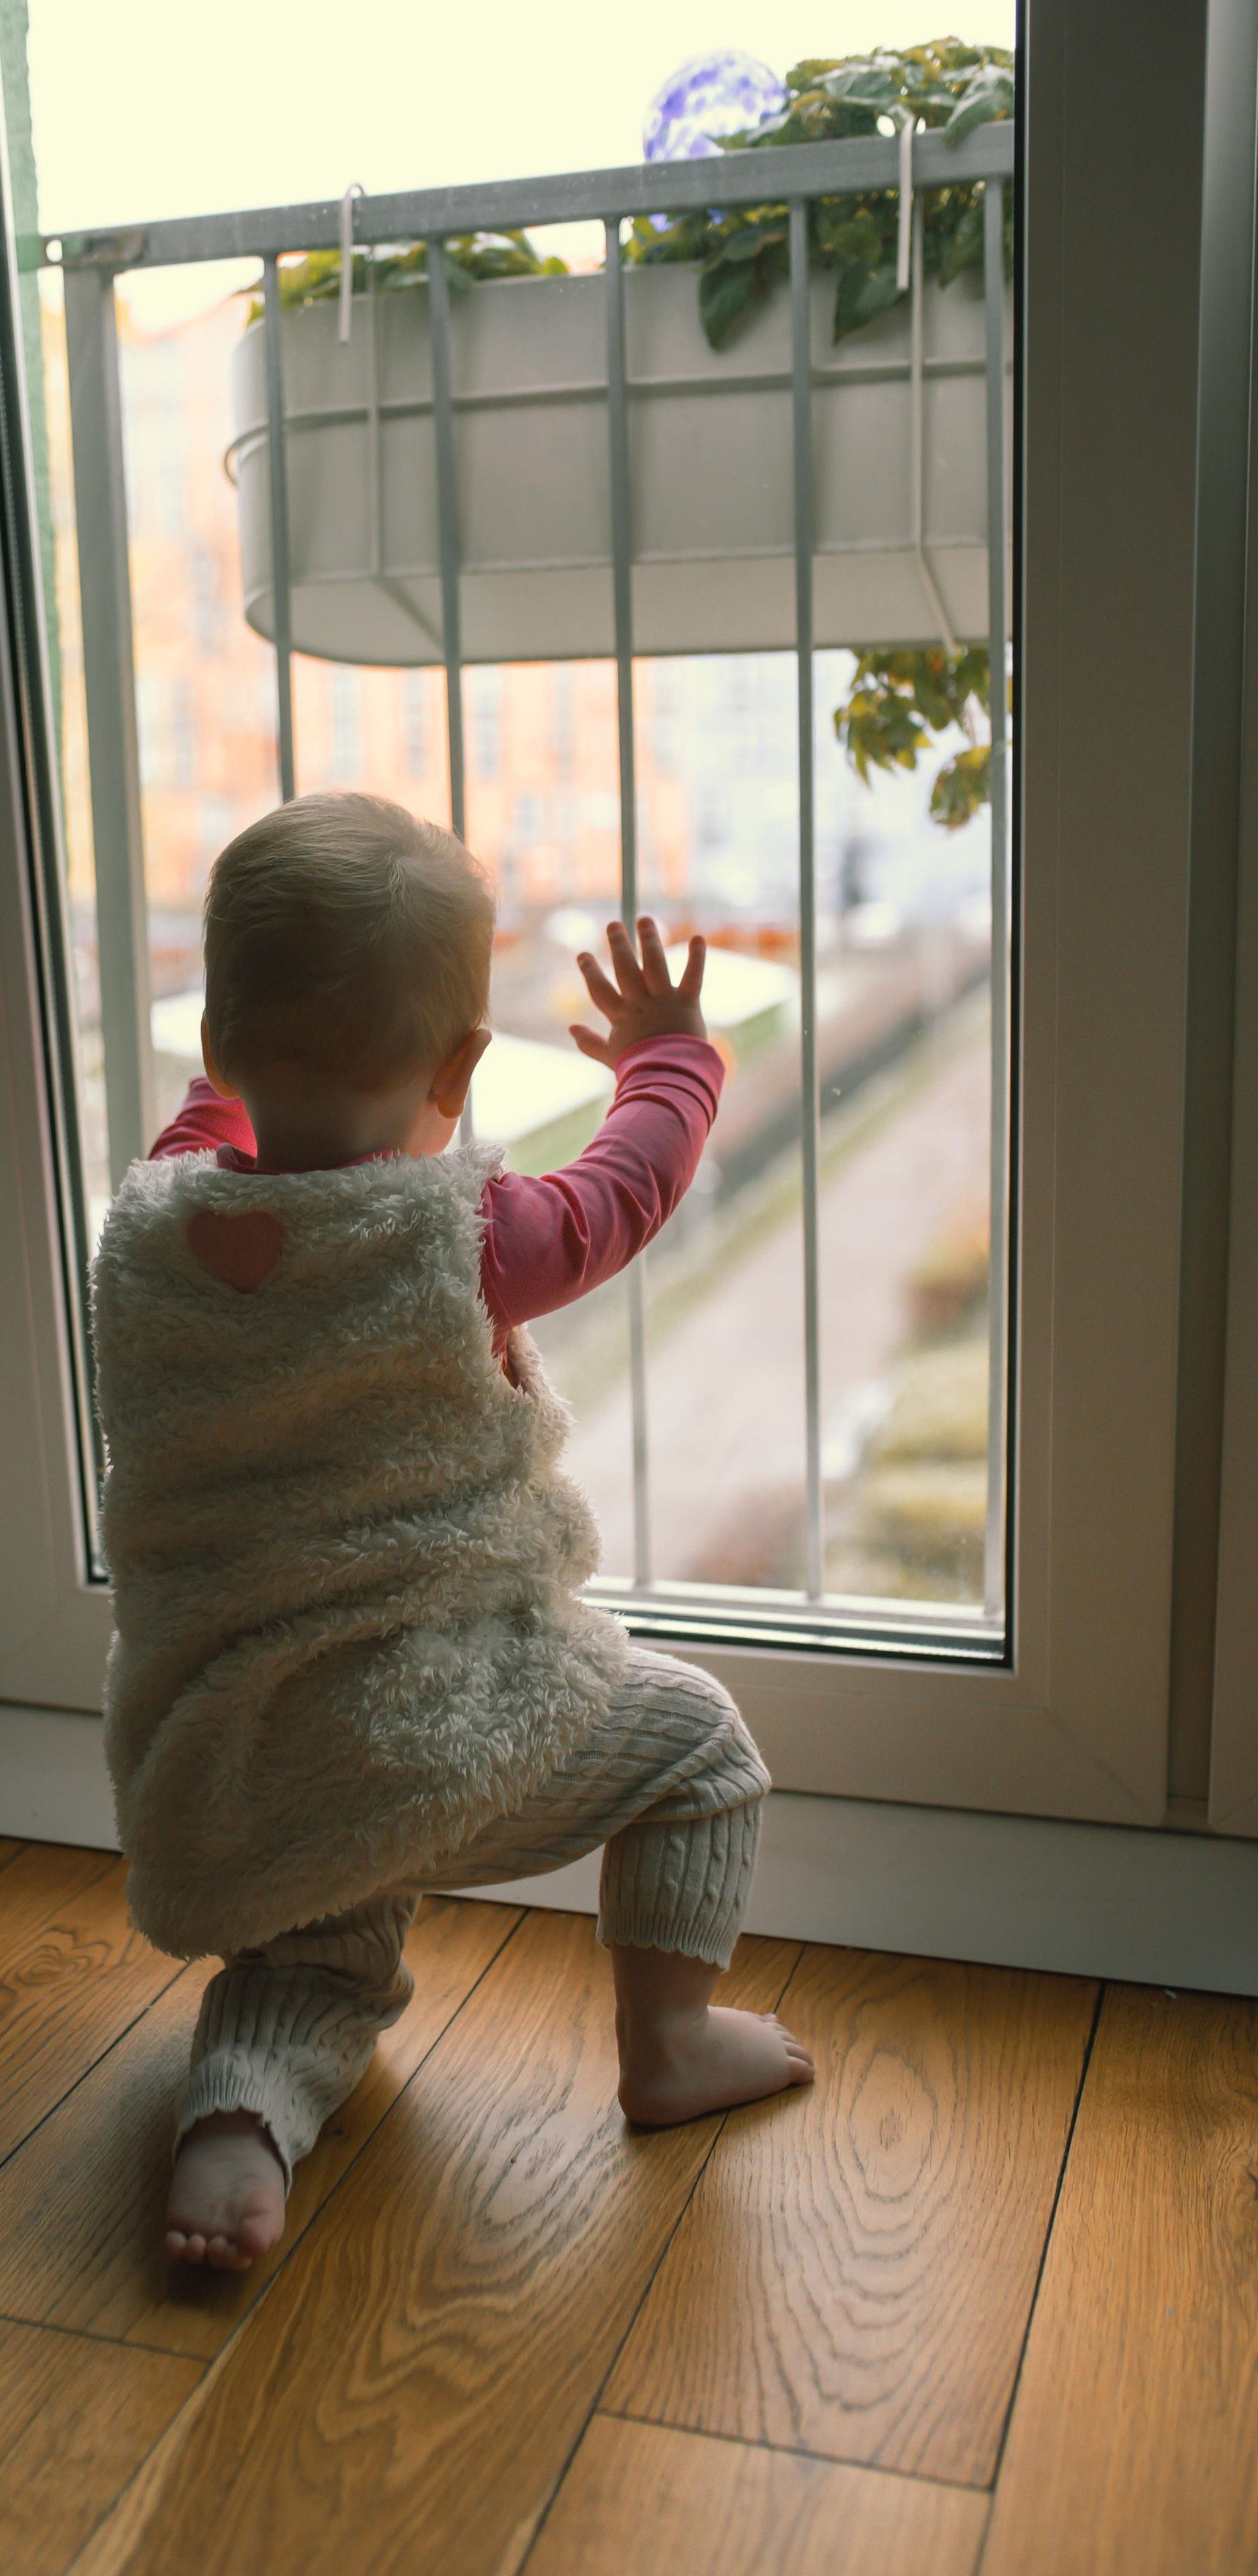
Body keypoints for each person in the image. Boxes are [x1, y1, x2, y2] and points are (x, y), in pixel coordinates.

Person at [91, 792, 812, 2273]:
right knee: (703, 1751)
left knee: (313, 1949)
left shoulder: (152, 1224)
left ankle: (236, 2119)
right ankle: (668, 2043)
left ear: (214, 1044)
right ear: (464, 1067)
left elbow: (206, 1126)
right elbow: (623, 1191)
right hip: (433, 1732)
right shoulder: (452, 1240)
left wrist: (234, 1068)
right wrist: (670, 1057)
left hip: (235, 1751)